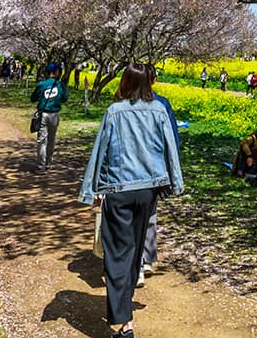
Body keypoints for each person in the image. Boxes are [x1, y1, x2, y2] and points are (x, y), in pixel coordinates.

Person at [79, 66, 183, 338]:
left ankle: (125, 323)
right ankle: (125, 319)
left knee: (117, 255)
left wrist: (92, 190)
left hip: (119, 189)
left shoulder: (115, 111)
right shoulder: (159, 110)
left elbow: (101, 150)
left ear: (125, 82)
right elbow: (171, 148)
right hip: (148, 191)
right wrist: (174, 182)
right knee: (135, 252)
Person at [141, 65, 181, 280]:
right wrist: (172, 171)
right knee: (150, 215)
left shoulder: (122, 104)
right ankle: (146, 259)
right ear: (154, 80)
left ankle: (138, 262)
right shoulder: (162, 104)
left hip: (130, 170)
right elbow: (172, 139)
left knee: (131, 217)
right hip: (155, 169)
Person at [30, 63, 67, 171]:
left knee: (42, 141)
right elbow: (64, 99)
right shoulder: (60, 85)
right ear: (56, 72)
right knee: (52, 139)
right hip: (54, 115)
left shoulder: (41, 84)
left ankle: (41, 166)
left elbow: (33, 98)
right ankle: (48, 163)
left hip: (43, 114)